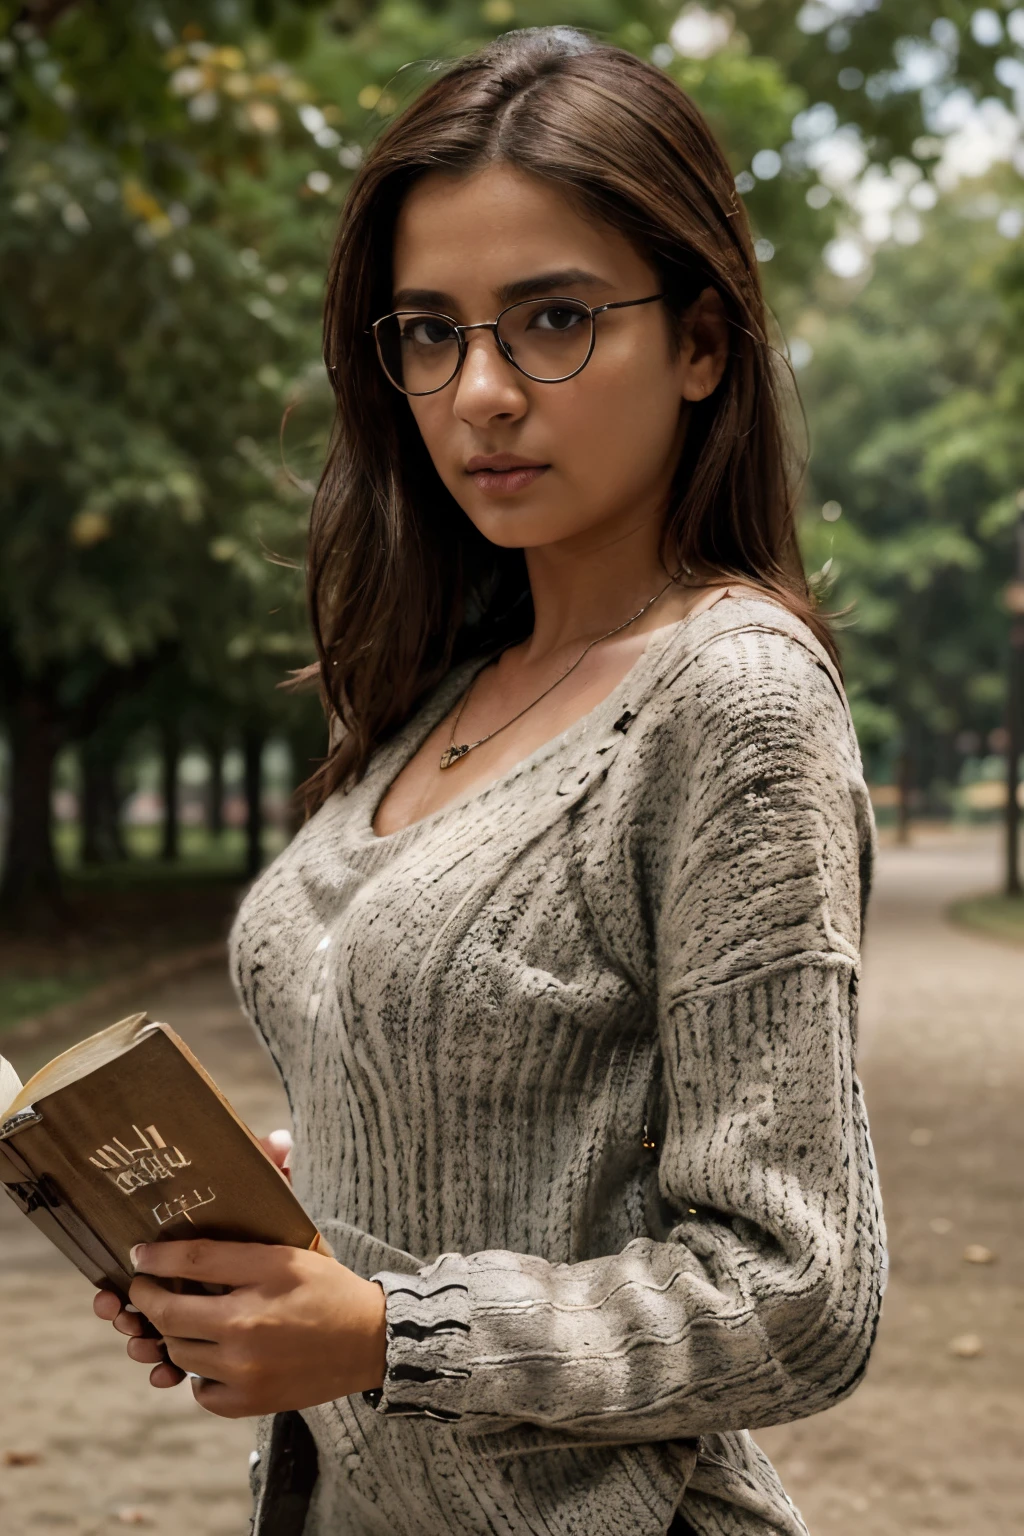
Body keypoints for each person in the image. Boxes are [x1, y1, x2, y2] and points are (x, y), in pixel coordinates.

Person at [93, 25, 886, 1536]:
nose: (481, 394)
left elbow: (801, 1294)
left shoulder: (732, 702)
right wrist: (278, 1237)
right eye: (430, 331)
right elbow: (499, 1133)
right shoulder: (450, 683)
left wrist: (389, 1331)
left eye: (555, 321)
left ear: (704, 343)